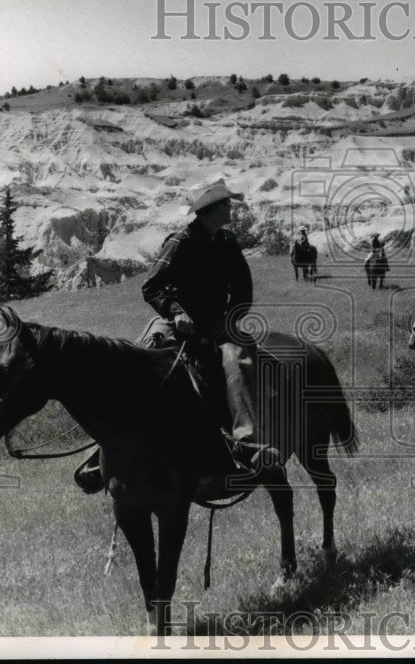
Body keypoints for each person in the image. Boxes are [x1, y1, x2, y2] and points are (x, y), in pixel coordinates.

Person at [74, 179, 280, 494]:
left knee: (234, 362)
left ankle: (245, 442)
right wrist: (176, 312)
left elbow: (243, 289)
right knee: (137, 360)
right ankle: (102, 449)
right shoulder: (180, 242)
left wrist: (229, 318)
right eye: (226, 205)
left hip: (217, 324)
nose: (231, 210)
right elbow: (151, 286)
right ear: (213, 211)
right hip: (177, 321)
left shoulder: (226, 242)